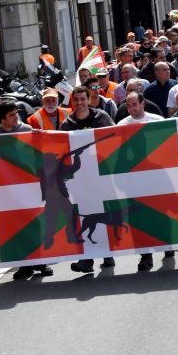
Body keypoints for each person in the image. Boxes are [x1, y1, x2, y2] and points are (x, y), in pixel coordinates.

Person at [0, 101, 55, 281]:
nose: (16, 117)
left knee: (35, 223)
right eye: (11, 115)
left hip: (30, 185)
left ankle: (40, 262)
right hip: (8, 190)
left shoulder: (26, 130)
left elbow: (39, 155)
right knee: (17, 225)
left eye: (16, 113)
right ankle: (24, 265)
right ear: (2, 118)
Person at [61, 86, 116, 273]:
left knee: (103, 214)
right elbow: (61, 152)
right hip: (80, 181)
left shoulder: (102, 117)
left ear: (89, 99)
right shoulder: (66, 124)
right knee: (86, 216)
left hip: (103, 176)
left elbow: (115, 140)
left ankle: (108, 253)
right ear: (72, 101)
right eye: (76, 100)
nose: (79, 103)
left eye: (83, 99)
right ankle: (87, 259)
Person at [116, 93, 171, 270]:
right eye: (128, 106)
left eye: (134, 105)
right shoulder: (122, 125)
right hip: (134, 180)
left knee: (160, 214)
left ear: (142, 103)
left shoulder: (157, 121)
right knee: (138, 219)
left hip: (156, 175)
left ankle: (167, 244)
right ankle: (145, 255)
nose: (131, 109)